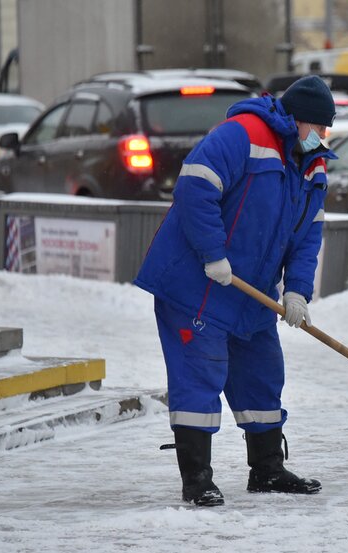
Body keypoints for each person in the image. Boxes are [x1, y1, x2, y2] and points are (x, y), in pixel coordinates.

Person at [135, 75, 337, 507]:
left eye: (327, 129)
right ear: (298, 119)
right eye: (319, 126)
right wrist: (212, 253)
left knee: (263, 374)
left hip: (250, 293)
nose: (322, 136)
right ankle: (197, 479)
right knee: (199, 377)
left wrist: (297, 292)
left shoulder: (313, 166)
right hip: (198, 285)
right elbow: (194, 188)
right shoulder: (242, 135)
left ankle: (267, 470)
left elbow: (308, 237)